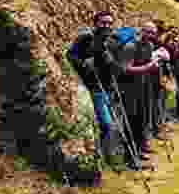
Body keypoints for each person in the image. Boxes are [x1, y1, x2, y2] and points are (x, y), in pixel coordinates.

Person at [67, 11, 122, 164]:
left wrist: (111, 64)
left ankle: (106, 155)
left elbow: (117, 65)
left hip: (108, 87)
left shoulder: (113, 41)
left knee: (110, 124)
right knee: (106, 123)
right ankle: (104, 156)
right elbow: (70, 55)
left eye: (110, 23)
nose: (107, 26)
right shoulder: (86, 37)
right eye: (103, 22)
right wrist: (84, 64)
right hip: (93, 87)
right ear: (95, 23)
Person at [116, 22, 168, 165]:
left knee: (141, 119)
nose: (151, 35)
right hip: (129, 88)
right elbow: (125, 69)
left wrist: (156, 63)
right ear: (141, 31)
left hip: (144, 87)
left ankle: (139, 150)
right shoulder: (131, 47)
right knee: (131, 121)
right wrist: (148, 67)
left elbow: (149, 64)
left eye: (153, 33)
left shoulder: (150, 46)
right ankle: (130, 157)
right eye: (148, 32)